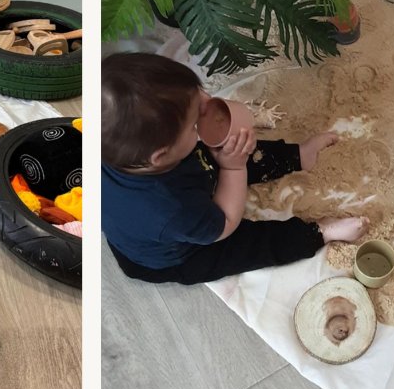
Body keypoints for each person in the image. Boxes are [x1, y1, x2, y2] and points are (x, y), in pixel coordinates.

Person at [101, 52, 367, 284]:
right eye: (196, 118)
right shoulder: (170, 209)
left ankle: (300, 155)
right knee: (247, 245)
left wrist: (220, 150)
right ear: (161, 155)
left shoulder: (131, 149)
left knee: (232, 149)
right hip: (175, 255)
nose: (208, 102)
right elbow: (225, 223)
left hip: (171, 187)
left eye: (199, 92)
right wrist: (233, 170)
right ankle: (320, 232)